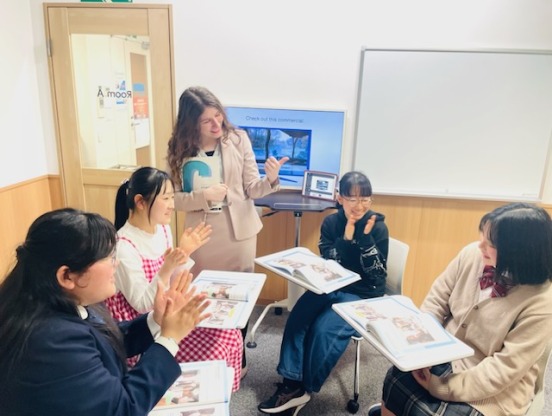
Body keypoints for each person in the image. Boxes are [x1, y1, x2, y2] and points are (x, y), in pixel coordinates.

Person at [0, 208, 210, 416]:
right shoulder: (51, 340)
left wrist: (157, 319)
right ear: (67, 276)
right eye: (108, 258)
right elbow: (122, 409)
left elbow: (106, 340)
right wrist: (169, 339)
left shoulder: (59, 301)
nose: (116, 264)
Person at [368, 202, 552, 416]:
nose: (480, 245)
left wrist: (442, 387)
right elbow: (436, 300)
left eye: (490, 243)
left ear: (519, 253)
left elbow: (503, 370)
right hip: (445, 353)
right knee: (395, 378)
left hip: (494, 388)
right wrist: (421, 348)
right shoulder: (472, 255)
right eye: (482, 235)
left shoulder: (541, 302)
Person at [166, 86, 288, 375]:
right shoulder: (178, 148)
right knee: (204, 297)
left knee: (239, 299)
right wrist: (203, 196)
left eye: (218, 116)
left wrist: (271, 180)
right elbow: (174, 199)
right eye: (206, 121)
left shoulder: (238, 139)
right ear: (190, 123)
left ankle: (238, 358)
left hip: (239, 234)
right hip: (203, 236)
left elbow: (252, 189)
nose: (216, 125)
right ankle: (207, 355)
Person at [258, 171, 389, 415]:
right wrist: (346, 237)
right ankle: (291, 381)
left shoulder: (378, 226)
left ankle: (305, 387)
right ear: (340, 198)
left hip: (363, 293)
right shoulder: (331, 223)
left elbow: (377, 275)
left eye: (365, 199)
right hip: (332, 286)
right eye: (352, 199)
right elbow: (329, 259)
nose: (359, 206)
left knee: (324, 329)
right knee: (298, 316)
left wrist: (364, 240)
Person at [105, 166, 245, 392]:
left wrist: (184, 253)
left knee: (230, 334)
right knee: (214, 350)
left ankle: (219, 397)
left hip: (166, 311)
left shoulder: (162, 229)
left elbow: (174, 282)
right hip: (141, 329)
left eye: (172, 197)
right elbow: (142, 305)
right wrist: (167, 267)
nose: (172, 204)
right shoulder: (124, 245)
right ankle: (204, 395)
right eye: (166, 198)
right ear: (140, 202)